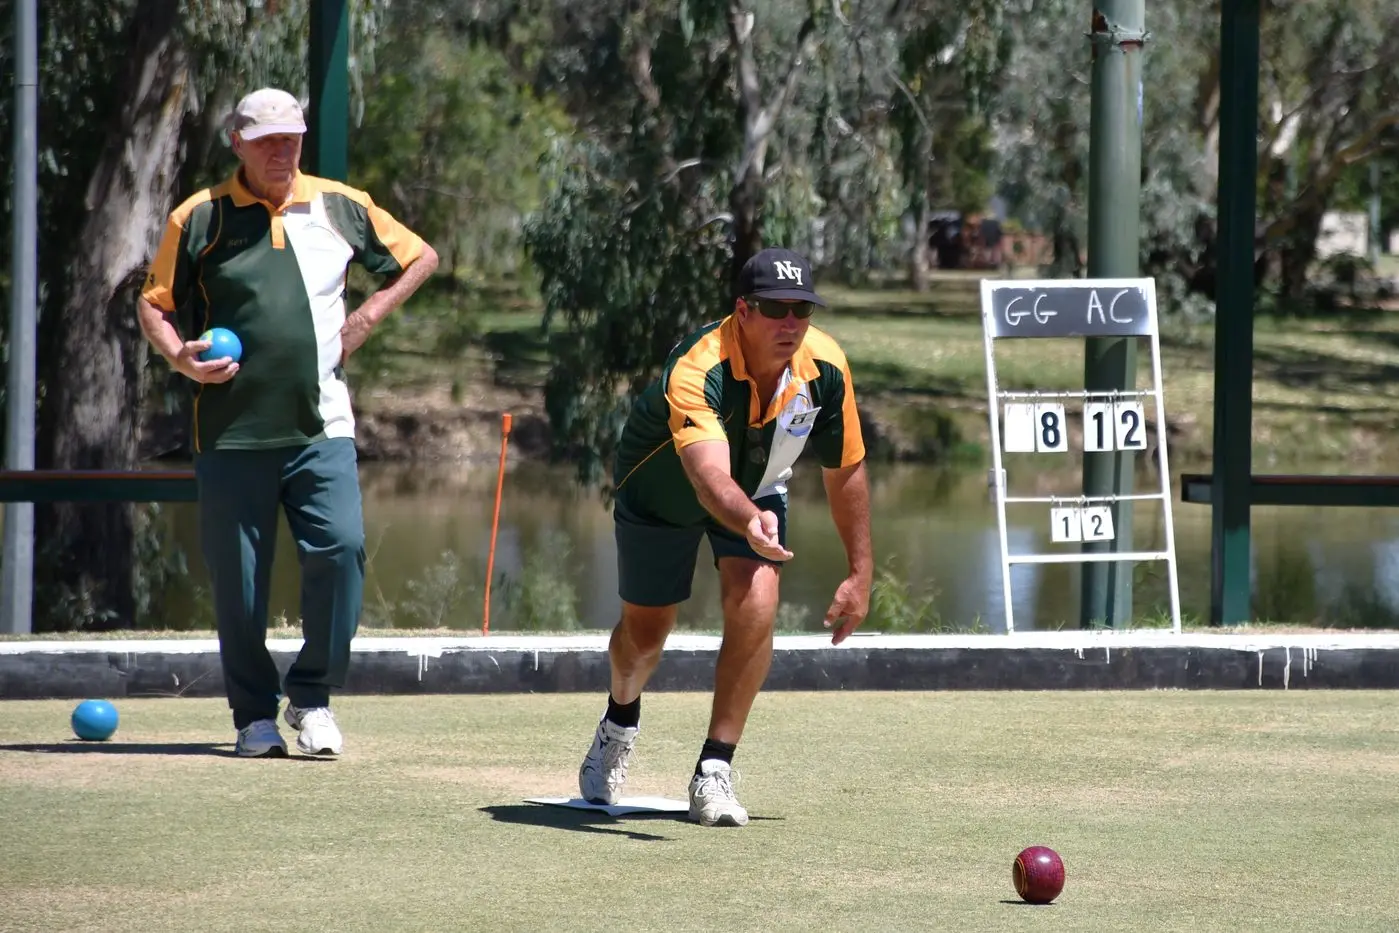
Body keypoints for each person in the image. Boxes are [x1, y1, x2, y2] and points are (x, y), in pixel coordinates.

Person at [137, 88, 439, 758]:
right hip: (231, 434)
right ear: (237, 143)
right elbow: (154, 304)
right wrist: (181, 359)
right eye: (267, 140)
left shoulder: (340, 205)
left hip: (320, 427)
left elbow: (421, 257)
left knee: (342, 549)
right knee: (240, 585)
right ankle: (253, 716)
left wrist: (367, 316)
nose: (282, 151)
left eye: (292, 138)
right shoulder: (200, 217)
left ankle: (311, 696)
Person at [577, 246, 873, 826]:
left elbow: (846, 470)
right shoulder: (700, 365)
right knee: (645, 636)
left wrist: (861, 573)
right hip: (664, 487)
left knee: (758, 600)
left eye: (802, 309)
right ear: (743, 310)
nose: (791, 322)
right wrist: (748, 519)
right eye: (775, 308)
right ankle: (619, 719)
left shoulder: (826, 367)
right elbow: (709, 478)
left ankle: (714, 768)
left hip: (757, 485)